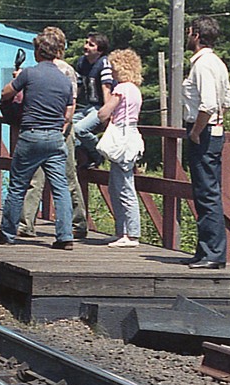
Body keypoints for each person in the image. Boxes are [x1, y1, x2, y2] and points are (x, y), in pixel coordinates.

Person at [0, 30, 76, 249]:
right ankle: (65, 236)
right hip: (56, 138)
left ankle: (7, 233)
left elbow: (5, 93)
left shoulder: (29, 73)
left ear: (38, 51)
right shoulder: (65, 80)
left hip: (31, 135)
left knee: (18, 185)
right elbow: (68, 113)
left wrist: (17, 83)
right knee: (60, 188)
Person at [17, 27, 87, 239]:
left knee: (63, 177)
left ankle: (77, 222)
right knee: (42, 178)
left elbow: (71, 104)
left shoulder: (64, 70)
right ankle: (28, 223)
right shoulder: (43, 69)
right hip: (53, 128)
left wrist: (63, 128)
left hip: (57, 130)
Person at [182, 16, 230, 269]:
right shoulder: (218, 63)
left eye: (189, 31)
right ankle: (206, 250)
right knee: (205, 192)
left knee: (207, 194)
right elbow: (227, 101)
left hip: (203, 131)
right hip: (215, 130)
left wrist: (195, 132)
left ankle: (213, 253)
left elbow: (210, 104)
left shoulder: (202, 65)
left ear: (195, 34)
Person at [95, 48, 143, 248]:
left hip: (121, 137)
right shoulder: (135, 90)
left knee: (123, 187)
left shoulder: (121, 89)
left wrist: (105, 98)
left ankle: (131, 234)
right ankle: (123, 231)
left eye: (114, 67)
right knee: (119, 185)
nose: (112, 72)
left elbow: (103, 113)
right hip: (131, 135)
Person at [72, 33, 115, 168]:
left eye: (91, 45)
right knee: (67, 126)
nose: (86, 47)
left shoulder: (104, 63)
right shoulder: (82, 62)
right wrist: (70, 106)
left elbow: (106, 88)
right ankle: (84, 153)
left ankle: (97, 153)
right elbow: (78, 87)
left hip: (100, 107)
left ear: (100, 50)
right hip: (88, 106)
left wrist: (107, 112)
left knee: (79, 129)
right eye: (86, 43)